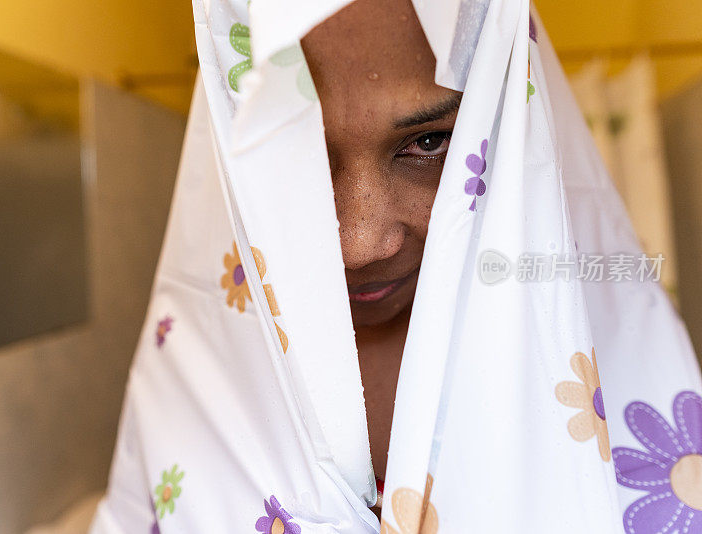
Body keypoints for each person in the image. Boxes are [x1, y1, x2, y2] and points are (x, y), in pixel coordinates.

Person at [91, 0, 702, 532]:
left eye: (430, 142)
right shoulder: (193, 381)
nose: (361, 243)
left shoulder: (610, 360)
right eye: (297, 156)